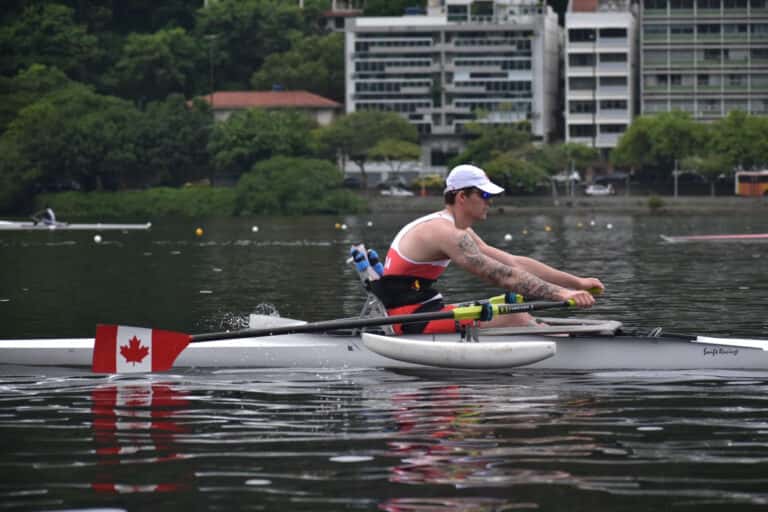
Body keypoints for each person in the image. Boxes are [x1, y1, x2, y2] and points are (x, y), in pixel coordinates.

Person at [371, 164, 604, 335]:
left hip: (426, 309)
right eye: (484, 195)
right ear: (462, 196)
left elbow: (514, 263)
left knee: (513, 308)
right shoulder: (445, 233)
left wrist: (577, 283)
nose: (489, 201)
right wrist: (562, 294)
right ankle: (563, 347)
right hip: (409, 319)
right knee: (514, 314)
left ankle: (553, 338)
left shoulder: (457, 229)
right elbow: (505, 276)